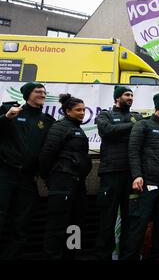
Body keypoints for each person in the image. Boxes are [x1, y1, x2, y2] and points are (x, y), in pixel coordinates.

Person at [122, 92, 159, 260]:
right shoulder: (143, 125)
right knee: (137, 228)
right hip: (147, 185)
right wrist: (137, 175)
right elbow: (133, 152)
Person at [0, 82, 55, 259]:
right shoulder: (10, 111)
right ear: (27, 94)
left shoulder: (47, 121)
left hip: (28, 178)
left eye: (44, 92)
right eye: (38, 91)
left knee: (21, 222)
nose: (42, 94)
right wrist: (6, 117)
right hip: (5, 173)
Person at [40, 94, 92, 260]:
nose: (82, 113)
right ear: (68, 111)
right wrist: (51, 178)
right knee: (57, 224)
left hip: (78, 183)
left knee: (76, 224)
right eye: (78, 110)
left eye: (83, 109)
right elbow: (46, 155)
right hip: (62, 182)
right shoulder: (60, 127)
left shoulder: (77, 129)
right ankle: (52, 256)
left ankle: (72, 255)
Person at [94, 86, 142, 260]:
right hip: (111, 173)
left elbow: (138, 135)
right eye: (126, 95)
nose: (130, 98)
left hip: (132, 174)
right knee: (107, 219)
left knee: (131, 219)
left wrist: (122, 130)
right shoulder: (104, 115)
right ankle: (103, 255)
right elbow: (107, 131)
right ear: (117, 98)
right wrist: (131, 127)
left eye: (131, 95)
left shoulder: (136, 116)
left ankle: (127, 256)